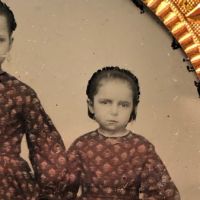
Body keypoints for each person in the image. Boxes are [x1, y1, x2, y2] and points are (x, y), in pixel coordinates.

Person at [64, 66, 181, 199]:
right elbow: (63, 190)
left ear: (133, 108)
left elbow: (163, 192)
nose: (114, 111)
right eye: (105, 102)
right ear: (91, 105)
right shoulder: (81, 145)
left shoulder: (141, 147)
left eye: (123, 104)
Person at [0, 1, 66, 199]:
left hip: (7, 185)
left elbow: (46, 147)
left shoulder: (21, 93)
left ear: (11, 42)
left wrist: (52, 190)